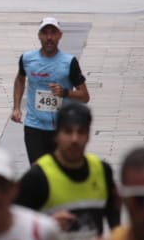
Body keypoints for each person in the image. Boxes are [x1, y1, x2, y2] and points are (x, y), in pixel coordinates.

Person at [15, 102, 121, 240]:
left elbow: (115, 220)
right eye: (68, 131)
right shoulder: (37, 177)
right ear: (56, 134)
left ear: (88, 135)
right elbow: (15, 229)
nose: (74, 139)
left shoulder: (102, 171)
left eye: (81, 132)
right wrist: (47, 225)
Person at [11, 16, 91, 163]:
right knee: (39, 170)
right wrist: (16, 108)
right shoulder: (27, 59)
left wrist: (65, 92)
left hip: (61, 129)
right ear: (39, 35)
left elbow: (85, 96)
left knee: (59, 170)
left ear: (60, 35)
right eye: (45, 33)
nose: (49, 38)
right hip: (34, 126)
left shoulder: (69, 62)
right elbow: (20, 79)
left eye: (53, 33)